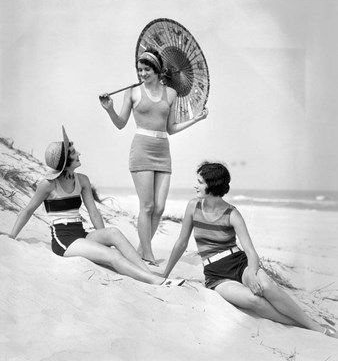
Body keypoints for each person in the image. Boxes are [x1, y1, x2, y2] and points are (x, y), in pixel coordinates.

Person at [163, 161, 338, 337]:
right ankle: (306, 326)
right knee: (254, 300)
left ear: (212, 185)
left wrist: (253, 275)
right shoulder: (193, 206)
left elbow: (250, 251)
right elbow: (181, 243)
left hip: (239, 264)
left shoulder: (232, 213)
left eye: (200, 182)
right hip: (216, 275)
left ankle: (316, 328)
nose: (196, 185)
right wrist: (165, 274)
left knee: (266, 286)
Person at [8, 126, 184, 287]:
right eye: (74, 152)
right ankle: (154, 281)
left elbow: (93, 212)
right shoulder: (48, 184)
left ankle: (148, 273)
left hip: (80, 234)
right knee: (113, 256)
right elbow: (28, 209)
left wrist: (103, 238)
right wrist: (11, 236)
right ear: (66, 161)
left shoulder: (82, 180)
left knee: (113, 233)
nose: (79, 153)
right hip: (64, 240)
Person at [99, 48, 208, 266]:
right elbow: (121, 124)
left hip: (162, 152)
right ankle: (147, 256)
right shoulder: (132, 92)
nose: (142, 74)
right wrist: (109, 109)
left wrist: (196, 119)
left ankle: (141, 251)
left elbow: (171, 129)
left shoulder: (171, 94)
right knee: (146, 206)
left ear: (157, 70)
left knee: (159, 208)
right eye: (140, 70)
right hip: (141, 150)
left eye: (146, 69)